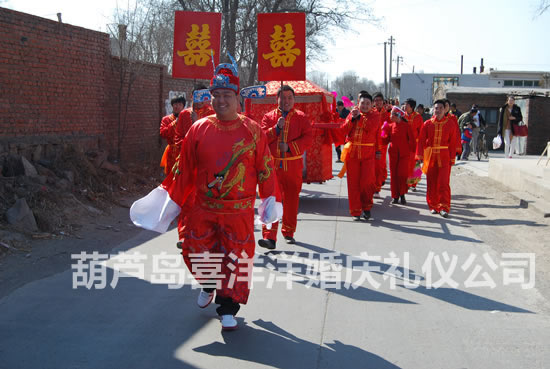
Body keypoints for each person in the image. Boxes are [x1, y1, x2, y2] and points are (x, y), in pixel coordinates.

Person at [130, 60, 281, 331]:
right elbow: (184, 170)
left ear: (237, 98)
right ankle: (209, 282)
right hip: (203, 207)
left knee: (236, 259)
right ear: (211, 98)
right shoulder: (198, 129)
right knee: (193, 247)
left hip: (238, 211)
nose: (221, 100)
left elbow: (265, 169)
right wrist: (170, 201)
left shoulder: (253, 131)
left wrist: (270, 200)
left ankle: (227, 307)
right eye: (217, 95)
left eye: (227, 95)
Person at [258, 85, 313, 249]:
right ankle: (269, 236)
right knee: (270, 200)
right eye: (283, 97)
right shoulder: (268, 117)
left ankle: (288, 231)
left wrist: (289, 147)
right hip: (273, 165)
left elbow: (308, 138)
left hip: (293, 165)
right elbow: (262, 138)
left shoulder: (302, 118)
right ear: (277, 99)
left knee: (291, 200)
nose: (286, 101)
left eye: (290, 98)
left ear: (294, 100)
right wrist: (276, 129)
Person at [339, 91, 381, 221]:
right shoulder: (352, 114)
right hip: (352, 153)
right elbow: (343, 130)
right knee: (353, 183)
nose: (365, 105)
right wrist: (352, 119)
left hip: (368, 153)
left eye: (368, 103)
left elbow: (371, 128)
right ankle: (355, 210)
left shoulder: (375, 115)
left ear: (372, 105)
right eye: (363, 103)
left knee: (367, 182)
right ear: (359, 103)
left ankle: (367, 207)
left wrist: (359, 118)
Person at [416, 99, 458, 218]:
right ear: (433, 110)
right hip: (431, 156)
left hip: (445, 156)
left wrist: (452, 158)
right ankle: (433, 205)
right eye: (436, 108)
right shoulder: (427, 124)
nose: (438, 110)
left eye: (440, 108)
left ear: (445, 109)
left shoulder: (450, 124)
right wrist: (419, 156)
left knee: (444, 183)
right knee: (431, 182)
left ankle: (444, 207)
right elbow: (421, 141)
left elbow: (453, 142)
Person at [382, 106, 415, 205]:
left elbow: (412, 141)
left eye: (392, 113)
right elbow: (384, 141)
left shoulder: (407, 126)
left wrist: (414, 153)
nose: (390, 115)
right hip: (393, 154)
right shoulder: (390, 126)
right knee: (393, 176)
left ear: (398, 115)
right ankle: (395, 196)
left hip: (404, 155)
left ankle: (402, 195)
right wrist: (383, 131)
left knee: (402, 175)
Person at [159, 95, 186, 175]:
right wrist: (175, 123)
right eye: (175, 104)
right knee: (170, 175)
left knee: (182, 176)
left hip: (184, 152)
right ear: (172, 105)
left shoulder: (188, 119)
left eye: (179, 104)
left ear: (183, 106)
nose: (177, 106)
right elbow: (163, 133)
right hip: (172, 153)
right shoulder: (166, 119)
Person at [404, 98, 423, 192]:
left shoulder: (418, 117)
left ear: (411, 107)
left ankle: (414, 183)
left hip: (415, 143)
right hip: (404, 143)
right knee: (406, 163)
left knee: (416, 164)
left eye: (406, 105)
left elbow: (421, 132)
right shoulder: (402, 115)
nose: (404, 106)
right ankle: (407, 182)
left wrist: (420, 144)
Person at [373, 92, 390, 195]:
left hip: (382, 144)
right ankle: (374, 185)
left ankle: (377, 188)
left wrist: (384, 133)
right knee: (372, 167)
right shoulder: (371, 113)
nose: (378, 102)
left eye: (380, 100)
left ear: (383, 102)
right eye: (376, 100)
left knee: (380, 166)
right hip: (371, 143)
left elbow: (390, 127)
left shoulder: (387, 114)